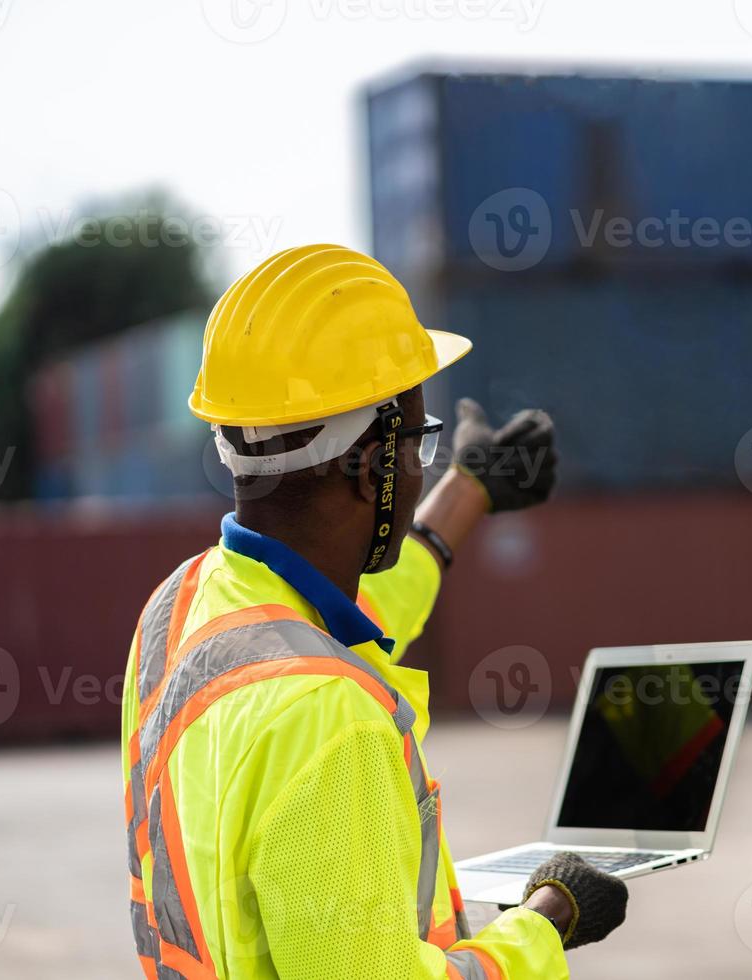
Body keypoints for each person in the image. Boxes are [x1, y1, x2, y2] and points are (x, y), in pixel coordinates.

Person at [121, 244, 628, 979]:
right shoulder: (330, 720)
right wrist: (546, 922)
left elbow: (350, 612)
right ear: (372, 465)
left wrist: (470, 490)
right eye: (422, 442)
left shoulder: (182, 607)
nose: (424, 462)